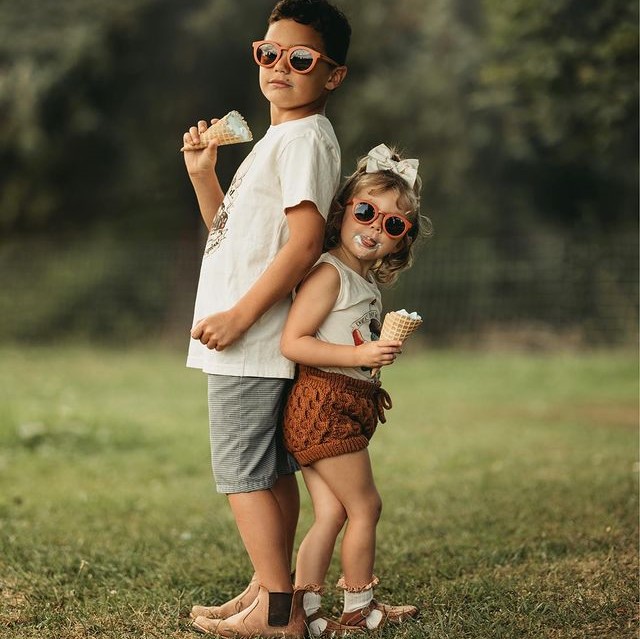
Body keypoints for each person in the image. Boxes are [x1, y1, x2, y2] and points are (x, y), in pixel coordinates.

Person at [182, 1, 351, 637]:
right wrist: (204, 177)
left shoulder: (303, 139)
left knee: (243, 473)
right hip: (253, 338)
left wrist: (238, 317)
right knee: (269, 470)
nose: (280, 66)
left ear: (332, 74)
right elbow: (233, 237)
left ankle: (279, 616)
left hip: (250, 340)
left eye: (300, 58)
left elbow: (304, 245)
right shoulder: (281, 140)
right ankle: (266, 590)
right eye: (268, 53)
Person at [281, 143, 430, 636]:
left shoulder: (363, 283)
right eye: (366, 212)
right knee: (366, 506)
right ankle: (359, 609)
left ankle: (302, 612)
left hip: (336, 406)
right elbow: (294, 342)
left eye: (393, 224)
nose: (375, 228)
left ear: (401, 241)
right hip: (324, 406)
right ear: (344, 211)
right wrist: (361, 357)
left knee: (331, 513)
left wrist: (372, 353)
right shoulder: (330, 273)